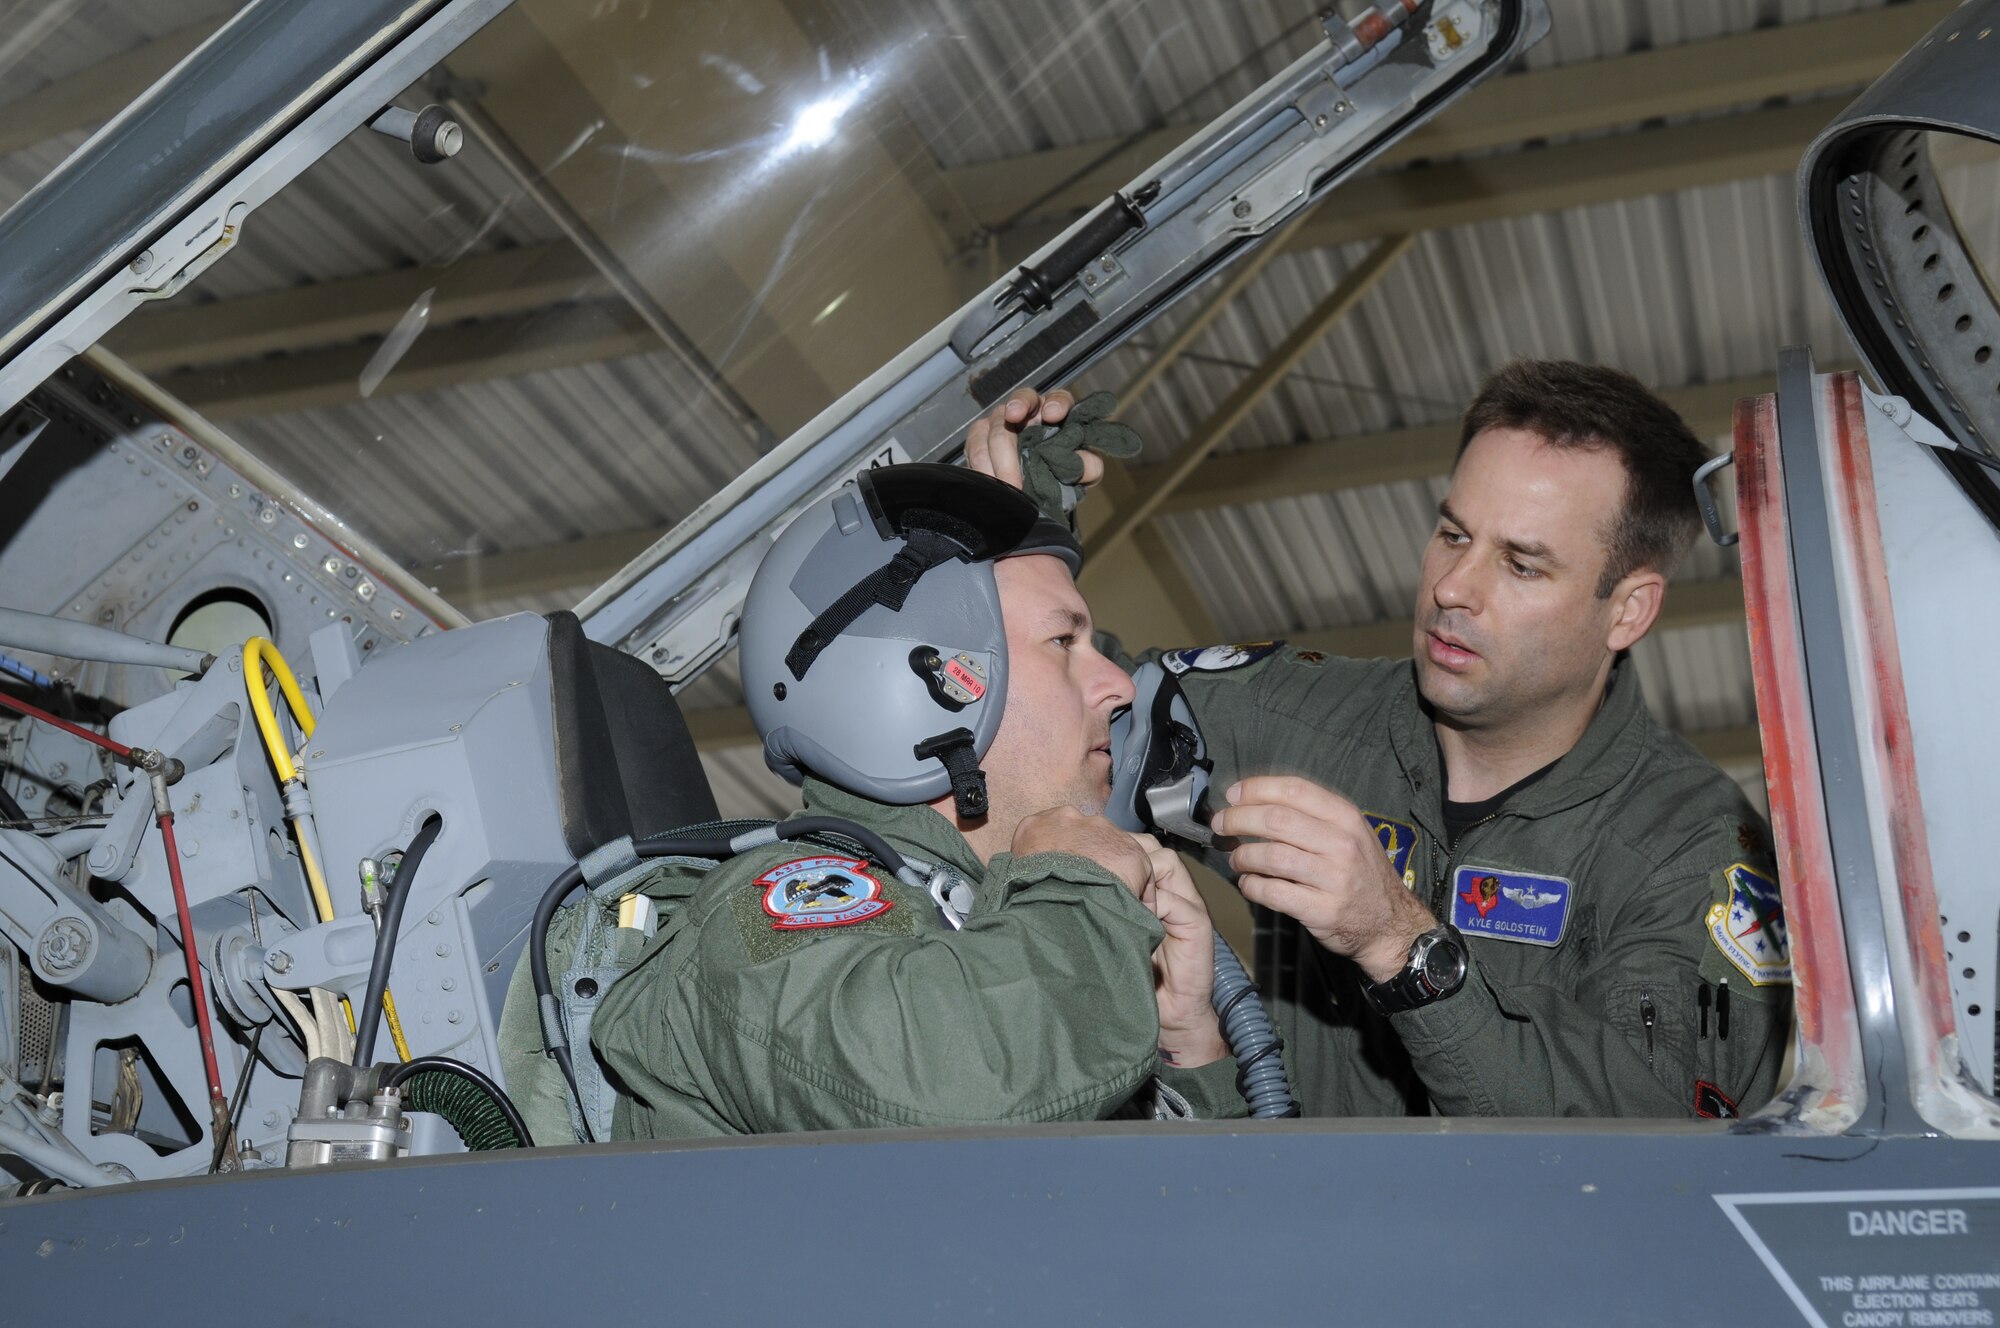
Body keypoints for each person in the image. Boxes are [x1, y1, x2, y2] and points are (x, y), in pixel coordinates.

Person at [967, 361, 1790, 1120]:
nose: (1453, 588)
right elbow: (1069, 713)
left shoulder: (1692, 848)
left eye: (1523, 565)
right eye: (1454, 533)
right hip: (1290, 1238)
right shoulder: (1296, 716)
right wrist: (1010, 550)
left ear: (1629, 609)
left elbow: (1654, 1148)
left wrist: (1400, 943)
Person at [500, 463, 1241, 1141]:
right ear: (936, 680)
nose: (1116, 686)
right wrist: (1084, 886)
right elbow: (949, 1095)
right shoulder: (768, 915)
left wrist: (1187, 1050)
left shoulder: (1011, 933)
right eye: (1065, 642)